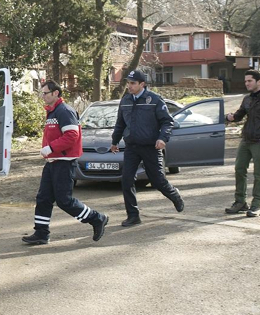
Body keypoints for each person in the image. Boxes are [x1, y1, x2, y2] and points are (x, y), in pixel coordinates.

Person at [22, 80, 109, 245]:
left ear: (56, 93)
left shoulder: (64, 111)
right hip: (53, 162)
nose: (43, 96)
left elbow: (72, 136)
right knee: (43, 198)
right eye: (42, 93)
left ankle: (97, 218)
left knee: (64, 200)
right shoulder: (53, 111)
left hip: (64, 162)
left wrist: (50, 148)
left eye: (45, 93)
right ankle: (41, 233)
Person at [110, 70, 184, 227]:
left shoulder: (154, 100)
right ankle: (133, 215)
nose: (129, 86)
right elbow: (120, 123)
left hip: (151, 147)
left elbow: (167, 122)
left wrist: (162, 138)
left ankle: (174, 195)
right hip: (131, 147)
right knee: (126, 180)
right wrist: (115, 141)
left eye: (132, 83)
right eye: (128, 83)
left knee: (158, 181)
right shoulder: (125, 100)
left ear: (142, 84)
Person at [225, 70, 260, 217]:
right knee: (239, 169)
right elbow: (239, 115)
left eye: (249, 81)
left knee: (259, 173)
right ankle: (240, 202)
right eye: (245, 81)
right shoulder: (247, 99)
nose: (246, 84)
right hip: (246, 139)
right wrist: (231, 117)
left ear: (259, 81)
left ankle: (256, 205)